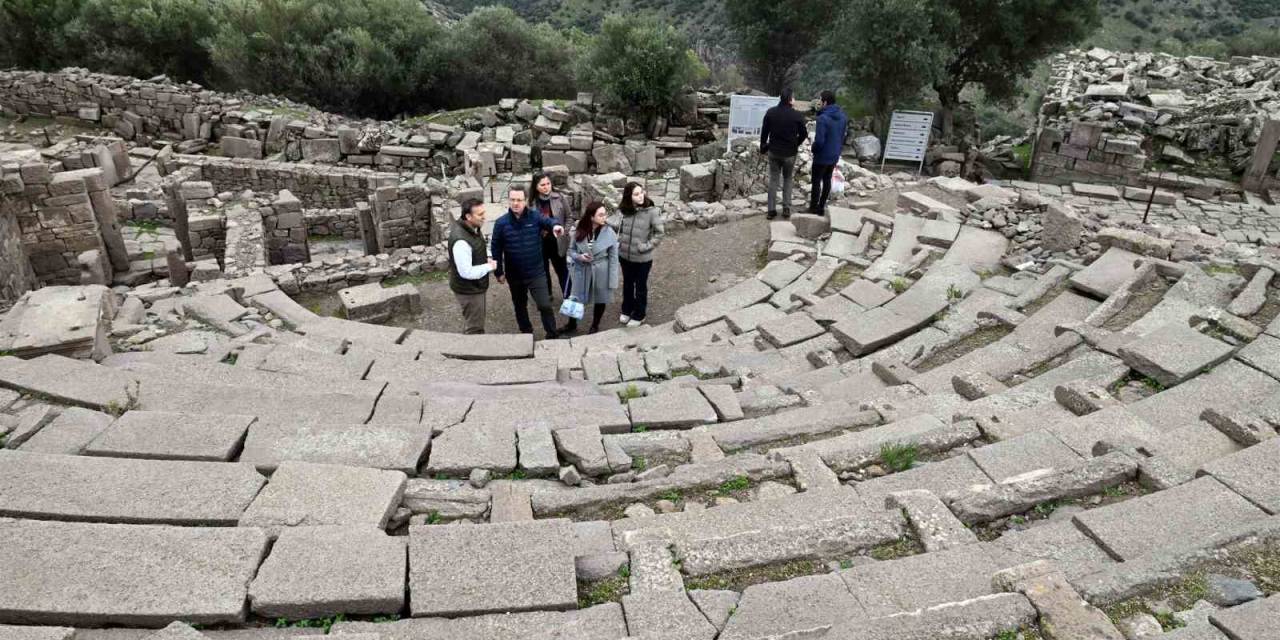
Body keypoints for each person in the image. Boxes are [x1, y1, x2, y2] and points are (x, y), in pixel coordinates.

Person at [490, 185, 565, 339]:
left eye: (519, 200)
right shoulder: (501, 223)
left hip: (536, 272)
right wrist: (499, 272)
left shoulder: (535, 216)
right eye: (512, 200)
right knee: (520, 305)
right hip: (514, 275)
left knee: (544, 305)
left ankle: (552, 334)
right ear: (508, 201)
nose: (515, 203)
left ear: (525, 201)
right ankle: (526, 334)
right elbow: (496, 248)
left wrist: (556, 225)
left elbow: (549, 221)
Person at [608, 182, 664, 328]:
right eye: (636, 194)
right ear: (629, 196)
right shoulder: (624, 210)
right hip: (625, 255)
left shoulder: (652, 211)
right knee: (627, 283)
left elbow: (659, 233)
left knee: (640, 286)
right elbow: (614, 224)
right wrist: (618, 240)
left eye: (641, 192)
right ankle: (627, 309)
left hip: (643, 258)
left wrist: (645, 246)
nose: (640, 196)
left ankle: (640, 314)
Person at [565, 201, 620, 335]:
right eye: (600, 215)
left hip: (601, 270)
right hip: (581, 269)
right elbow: (570, 250)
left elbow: (613, 258)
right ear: (591, 216)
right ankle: (571, 324)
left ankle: (595, 325)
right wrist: (579, 257)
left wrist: (613, 280)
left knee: (600, 298)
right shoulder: (579, 228)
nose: (604, 218)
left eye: (605, 214)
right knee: (575, 298)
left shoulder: (610, 232)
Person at [447, 199, 498, 334]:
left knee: (473, 321)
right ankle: (473, 351)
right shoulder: (461, 242)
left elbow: (477, 245)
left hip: (474, 286)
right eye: (480, 214)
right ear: (468, 216)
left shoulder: (472, 227)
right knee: (474, 327)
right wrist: (490, 266)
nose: (484, 217)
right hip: (469, 290)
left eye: (484, 213)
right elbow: (466, 272)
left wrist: (487, 254)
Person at [759, 88, 807, 220]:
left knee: (773, 179)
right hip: (790, 154)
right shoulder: (797, 115)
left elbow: (764, 132)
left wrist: (763, 147)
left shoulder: (771, 112)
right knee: (787, 179)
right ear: (790, 100)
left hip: (774, 152)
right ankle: (786, 208)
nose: (795, 100)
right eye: (794, 97)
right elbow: (804, 134)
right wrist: (796, 143)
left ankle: (771, 210)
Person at [530, 172, 572, 297]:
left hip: (557, 241)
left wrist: (565, 231)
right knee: (543, 271)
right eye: (542, 185)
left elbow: (569, 217)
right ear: (536, 186)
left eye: (548, 183)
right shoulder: (531, 203)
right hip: (539, 242)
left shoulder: (560, 197)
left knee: (562, 270)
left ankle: (568, 295)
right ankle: (547, 294)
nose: (546, 187)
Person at [809, 90, 849, 216]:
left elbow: (819, 141)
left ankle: (813, 208)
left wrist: (813, 148)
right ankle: (821, 207)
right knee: (827, 179)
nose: (819, 102)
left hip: (822, 156)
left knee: (816, 181)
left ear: (825, 102)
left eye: (820, 100)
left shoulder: (823, 118)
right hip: (834, 154)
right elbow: (843, 136)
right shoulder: (843, 116)